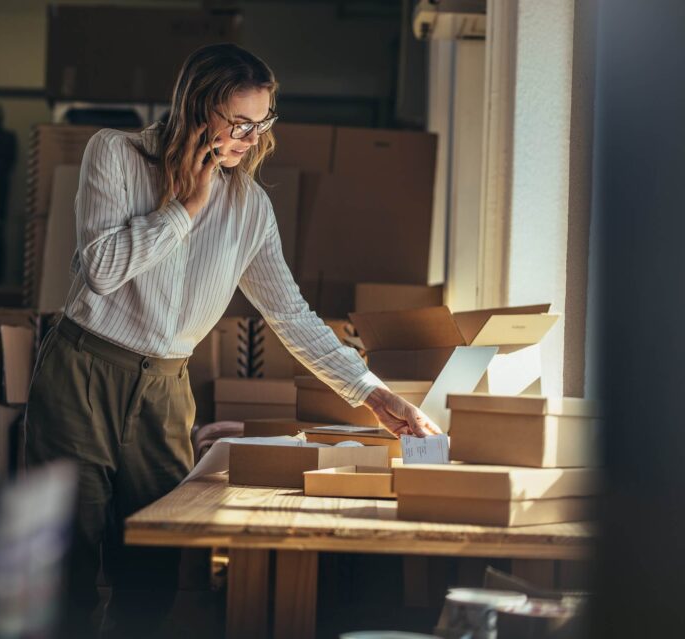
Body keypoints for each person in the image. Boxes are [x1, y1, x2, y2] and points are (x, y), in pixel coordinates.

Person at [24, 42, 442, 639]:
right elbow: (101, 269)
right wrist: (186, 209)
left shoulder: (250, 208)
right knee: (66, 557)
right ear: (197, 108)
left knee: (153, 566)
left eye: (262, 122)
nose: (252, 137)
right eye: (239, 122)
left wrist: (374, 394)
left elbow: (291, 315)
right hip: (82, 372)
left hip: (165, 390)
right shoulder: (114, 153)